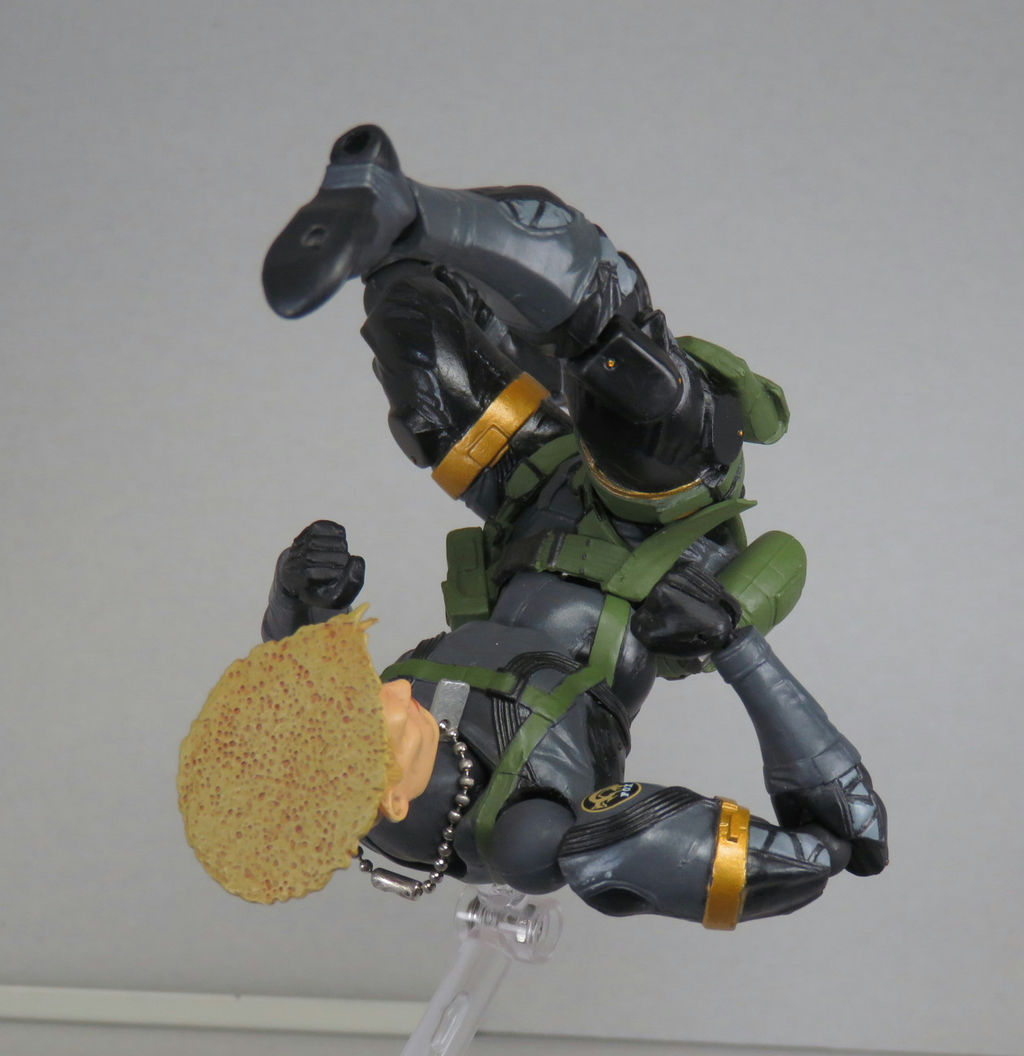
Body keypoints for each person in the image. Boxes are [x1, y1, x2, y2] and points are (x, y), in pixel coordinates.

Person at [243, 125, 887, 928]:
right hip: (655, 529)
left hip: (528, 493)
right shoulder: (533, 825)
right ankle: (415, 213)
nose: (382, 694)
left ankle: (389, 238)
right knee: (634, 384)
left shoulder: (362, 765)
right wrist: (734, 645)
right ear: (398, 794)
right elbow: (830, 845)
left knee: (421, 364)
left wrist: (301, 605)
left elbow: (294, 682)